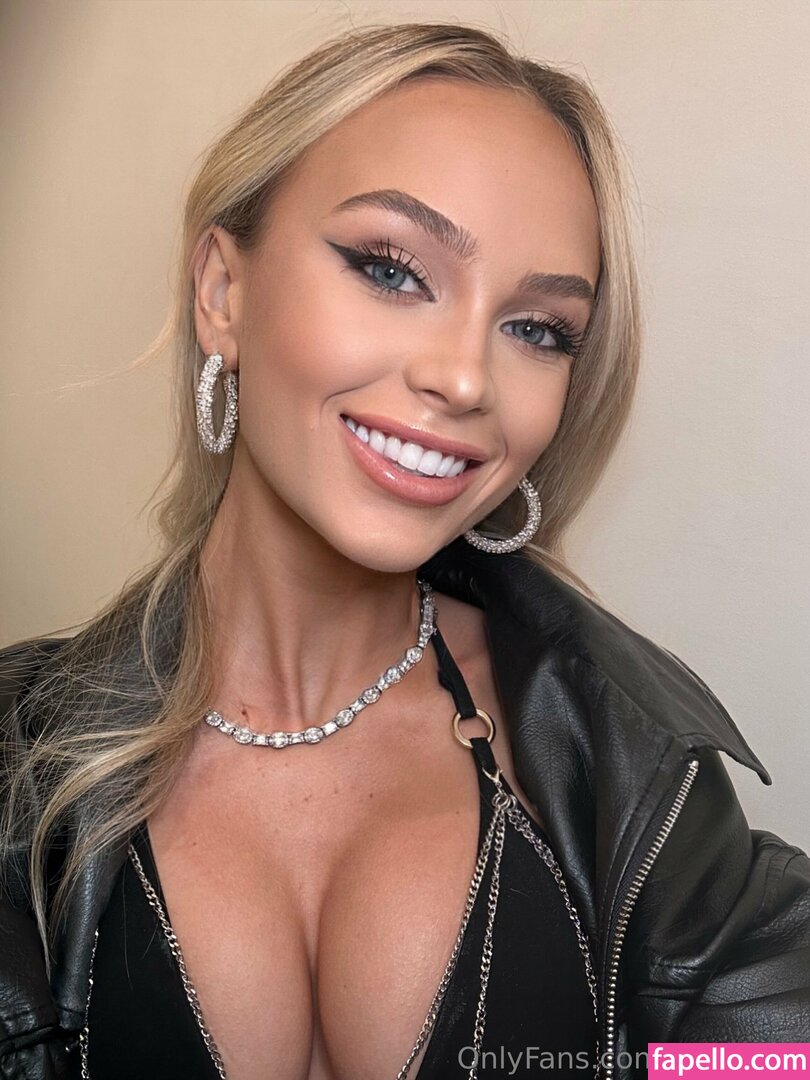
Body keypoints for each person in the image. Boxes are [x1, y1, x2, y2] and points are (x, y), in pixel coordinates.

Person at [1, 21, 808, 1080]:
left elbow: (771, 1058)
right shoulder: (17, 764)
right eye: (390, 269)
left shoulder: (627, 769)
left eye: (537, 329)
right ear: (223, 292)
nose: (464, 378)